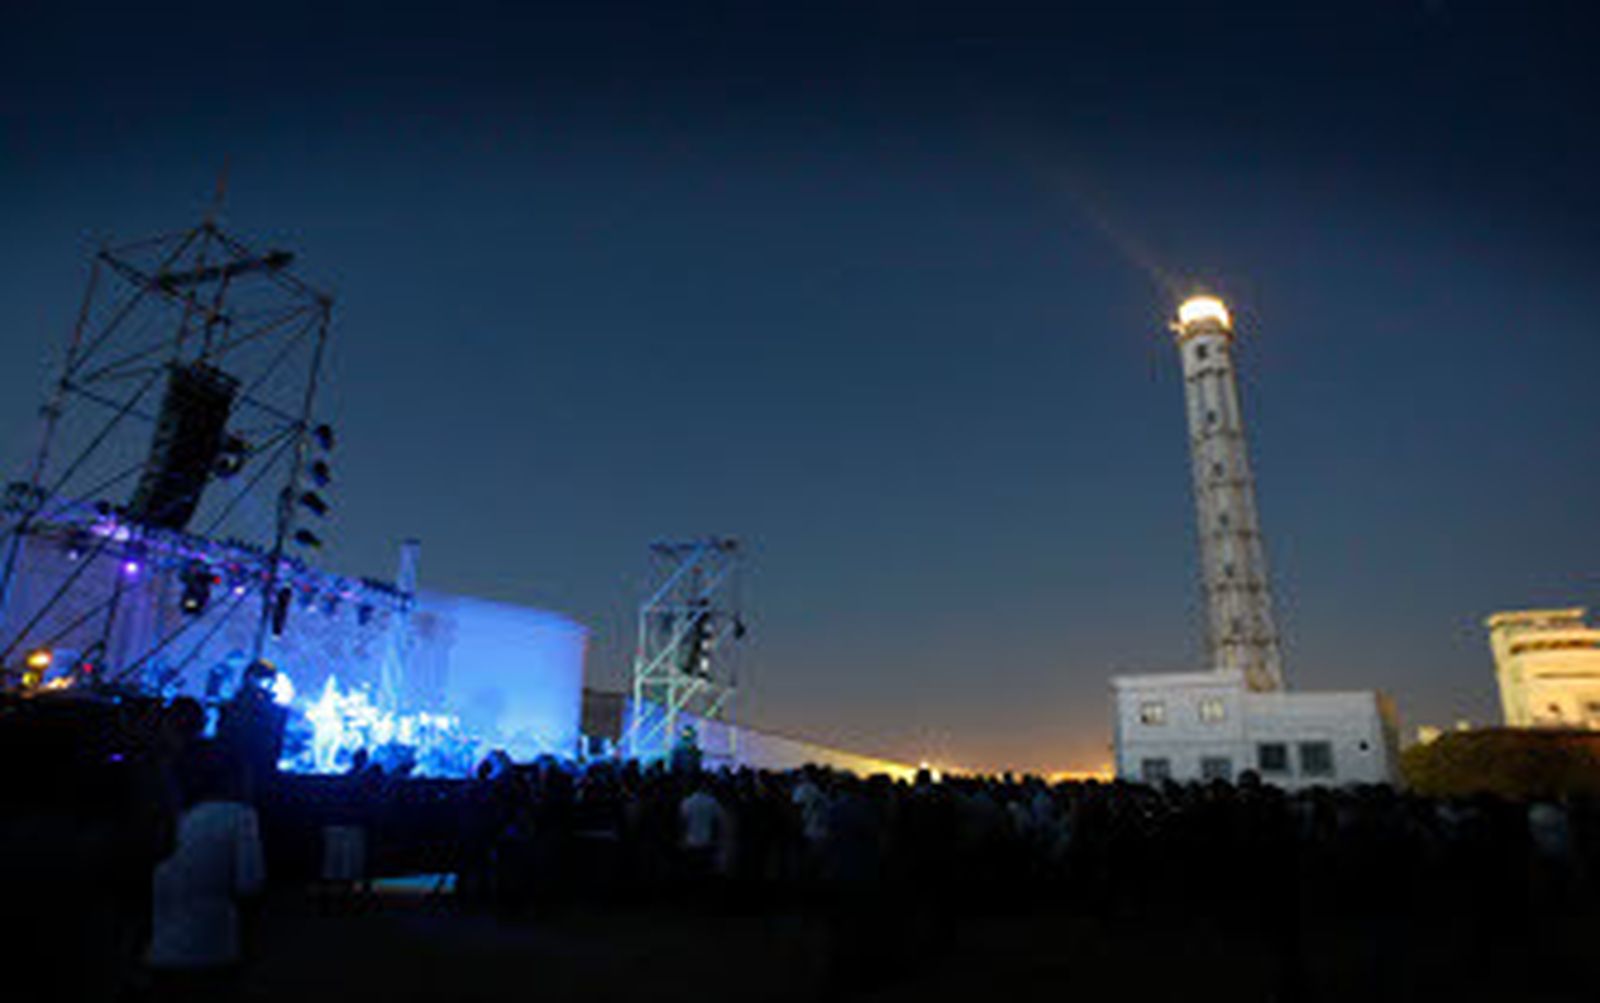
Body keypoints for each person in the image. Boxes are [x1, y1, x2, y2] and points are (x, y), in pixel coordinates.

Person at [144, 746, 264, 1001]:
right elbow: (250, 883)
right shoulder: (239, 816)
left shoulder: (163, 815)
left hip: (158, 952)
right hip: (214, 948)